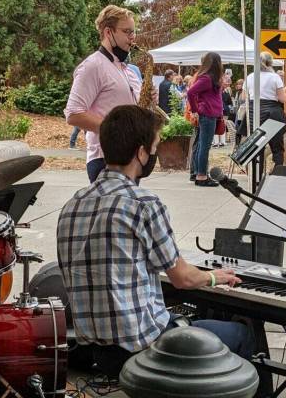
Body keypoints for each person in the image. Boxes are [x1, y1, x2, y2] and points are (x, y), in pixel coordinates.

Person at [56, 105, 253, 377]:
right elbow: (183, 278)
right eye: (155, 147)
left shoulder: (72, 204)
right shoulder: (143, 203)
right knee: (241, 332)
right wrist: (213, 277)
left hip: (98, 353)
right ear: (140, 152)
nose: (155, 155)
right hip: (148, 348)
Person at [65, 5, 143, 182]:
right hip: (105, 159)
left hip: (130, 157)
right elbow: (73, 114)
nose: (133, 38)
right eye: (127, 32)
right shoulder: (93, 66)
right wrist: (117, 131)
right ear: (109, 32)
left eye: (134, 32)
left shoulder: (127, 70)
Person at [187, 52, 224, 187]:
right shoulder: (207, 79)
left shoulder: (210, 78)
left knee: (203, 145)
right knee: (204, 146)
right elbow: (190, 92)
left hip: (210, 114)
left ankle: (199, 174)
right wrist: (195, 110)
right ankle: (201, 175)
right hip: (207, 115)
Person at [245, 52, 286, 167]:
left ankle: (256, 176)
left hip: (254, 113)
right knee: (277, 148)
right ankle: (278, 174)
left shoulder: (250, 77)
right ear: (270, 63)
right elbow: (283, 99)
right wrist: (285, 91)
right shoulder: (275, 77)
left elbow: (245, 98)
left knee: (257, 146)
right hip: (273, 114)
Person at [216, 76, 233, 148]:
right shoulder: (217, 90)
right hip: (217, 110)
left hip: (225, 110)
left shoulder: (226, 91)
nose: (227, 86)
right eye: (226, 84)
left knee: (223, 125)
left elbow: (230, 102)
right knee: (217, 125)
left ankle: (223, 141)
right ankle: (216, 142)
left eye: (228, 84)